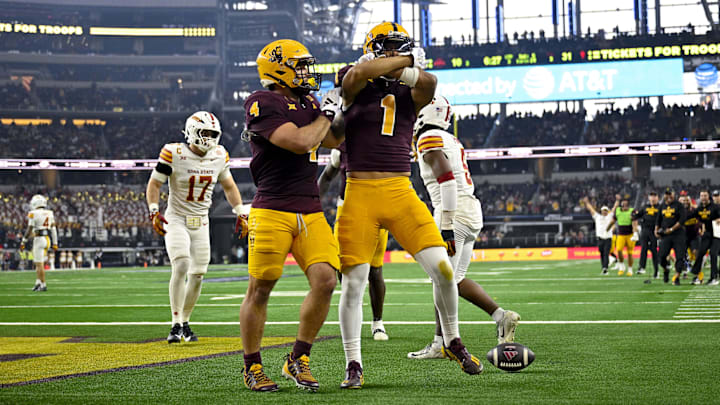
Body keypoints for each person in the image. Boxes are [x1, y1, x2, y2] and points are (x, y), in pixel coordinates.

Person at [337, 22, 482, 390]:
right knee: (354, 284)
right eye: (391, 49)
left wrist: (399, 63)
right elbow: (357, 73)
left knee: (444, 270)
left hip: (400, 191)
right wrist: (403, 59)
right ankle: (353, 362)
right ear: (375, 49)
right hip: (360, 193)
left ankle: (452, 340)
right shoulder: (353, 79)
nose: (397, 56)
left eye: (403, 50)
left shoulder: (412, 91)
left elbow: (430, 83)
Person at [239, 39, 343, 393]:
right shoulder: (262, 101)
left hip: (310, 208)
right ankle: (252, 366)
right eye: (299, 65)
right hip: (272, 208)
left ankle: (298, 358)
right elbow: (300, 141)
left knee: (326, 280)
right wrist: (327, 114)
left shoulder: (308, 101)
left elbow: (333, 141)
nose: (306, 72)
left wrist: (350, 104)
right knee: (261, 289)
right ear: (278, 68)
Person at [407, 96, 520, 360]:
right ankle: (500, 316)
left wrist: (445, 224)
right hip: (470, 210)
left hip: (453, 212)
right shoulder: (449, 139)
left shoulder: (429, 138)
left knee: (441, 279)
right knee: (452, 280)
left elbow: (446, 178)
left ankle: (443, 343)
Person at [146, 111, 248, 345]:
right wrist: (153, 210)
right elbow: (154, 183)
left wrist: (240, 211)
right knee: (181, 263)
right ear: (191, 131)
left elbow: (230, 186)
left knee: (199, 274)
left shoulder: (220, 155)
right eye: (205, 133)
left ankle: (185, 321)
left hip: (201, 220)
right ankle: (174, 323)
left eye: (214, 134)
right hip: (177, 217)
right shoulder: (173, 152)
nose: (210, 138)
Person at [317, 141, 389, 341]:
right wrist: (312, 204)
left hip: (377, 209)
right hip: (347, 210)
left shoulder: (383, 144)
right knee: (344, 267)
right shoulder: (342, 148)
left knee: (375, 269)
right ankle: (353, 313)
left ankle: (378, 322)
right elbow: (326, 177)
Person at [20, 194, 58, 291]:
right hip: (47, 239)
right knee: (38, 263)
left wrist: (23, 241)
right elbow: (53, 229)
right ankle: (38, 282)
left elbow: (29, 229)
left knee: (39, 264)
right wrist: (55, 243)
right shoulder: (50, 213)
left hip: (39, 239)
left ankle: (43, 284)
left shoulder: (33, 213)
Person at [688, 190, 720, 284]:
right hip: (707, 233)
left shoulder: (715, 207)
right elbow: (691, 216)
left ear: (708, 196)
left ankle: (713, 278)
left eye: (705, 195)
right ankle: (696, 273)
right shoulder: (700, 208)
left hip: (717, 234)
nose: (703, 198)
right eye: (701, 196)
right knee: (700, 252)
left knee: (713, 254)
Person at [656, 188, 686, 285]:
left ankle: (676, 277)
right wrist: (656, 230)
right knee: (661, 257)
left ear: (674, 195)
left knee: (680, 257)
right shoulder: (662, 206)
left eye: (670, 194)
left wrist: (672, 229)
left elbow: (682, 220)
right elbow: (658, 220)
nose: (668, 196)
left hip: (678, 234)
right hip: (666, 235)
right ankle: (666, 269)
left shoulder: (679, 205)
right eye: (666, 194)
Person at [606, 194, 636, 276]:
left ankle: (630, 269)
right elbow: (613, 220)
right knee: (619, 250)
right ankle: (622, 266)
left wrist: (635, 232)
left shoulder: (632, 211)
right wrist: (607, 229)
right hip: (621, 235)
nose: (625, 206)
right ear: (622, 204)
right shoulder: (618, 211)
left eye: (626, 205)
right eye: (624, 204)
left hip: (630, 234)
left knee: (630, 253)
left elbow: (635, 222)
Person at [633, 191, 660, 278]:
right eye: (651, 196)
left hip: (654, 231)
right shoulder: (645, 207)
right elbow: (637, 216)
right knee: (643, 248)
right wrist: (633, 214)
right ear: (649, 198)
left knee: (654, 251)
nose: (653, 198)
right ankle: (642, 267)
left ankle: (656, 271)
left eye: (654, 196)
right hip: (645, 230)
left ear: (657, 198)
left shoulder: (660, 207)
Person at [583, 197, 613, 274]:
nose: (605, 212)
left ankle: (605, 268)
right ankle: (604, 267)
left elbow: (615, 207)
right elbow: (591, 210)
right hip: (600, 239)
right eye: (603, 211)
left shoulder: (609, 217)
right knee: (602, 253)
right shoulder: (598, 217)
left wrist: (618, 201)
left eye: (606, 211)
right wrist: (587, 203)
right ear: (601, 211)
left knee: (606, 253)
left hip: (608, 238)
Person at [679, 192, 700, 277]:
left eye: (687, 200)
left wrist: (702, 228)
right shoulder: (679, 212)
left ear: (690, 201)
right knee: (682, 255)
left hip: (694, 235)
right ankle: (684, 272)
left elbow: (701, 219)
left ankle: (698, 272)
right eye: (684, 201)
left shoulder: (695, 210)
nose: (685, 202)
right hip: (683, 236)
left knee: (696, 252)